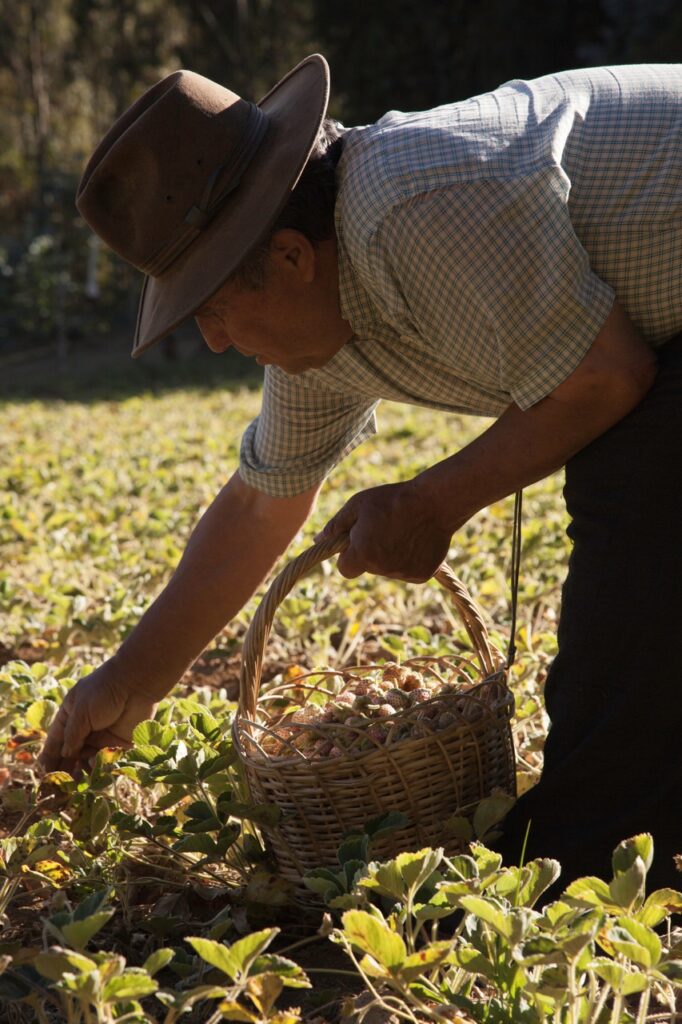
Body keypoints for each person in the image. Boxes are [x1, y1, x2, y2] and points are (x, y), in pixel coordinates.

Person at [42, 55, 682, 890]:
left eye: (212, 306)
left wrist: (433, 502)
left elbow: (603, 378)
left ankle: (585, 865)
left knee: (633, 502)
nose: (215, 343)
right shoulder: (321, 334)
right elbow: (261, 507)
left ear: (291, 258)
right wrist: (126, 681)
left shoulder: (416, 206)